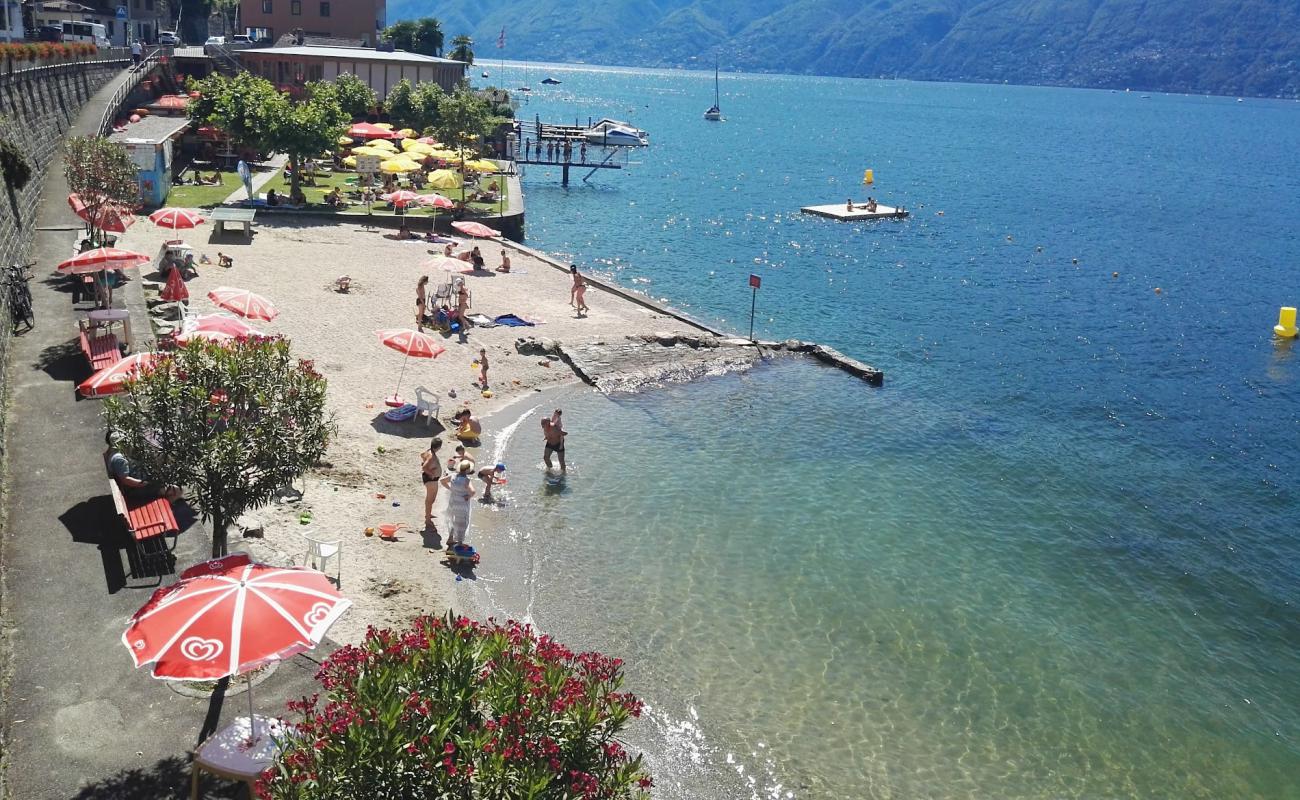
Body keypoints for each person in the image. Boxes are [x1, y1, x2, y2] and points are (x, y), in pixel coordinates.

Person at [105, 432, 181, 501]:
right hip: (136, 491)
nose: (127, 443)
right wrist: (146, 483)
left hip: (136, 485)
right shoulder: (119, 459)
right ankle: (168, 508)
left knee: (166, 478)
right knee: (176, 490)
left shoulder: (115, 454)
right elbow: (126, 480)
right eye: (124, 441)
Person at [440, 460, 476, 548]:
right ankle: (459, 542)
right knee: (462, 522)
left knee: (452, 519)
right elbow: (473, 491)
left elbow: (442, 481)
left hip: (453, 501)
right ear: (467, 470)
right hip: (462, 504)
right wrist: (468, 496)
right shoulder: (466, 480)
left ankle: (450, 538)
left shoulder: (453, 476)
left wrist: (451, 489)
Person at [420, 436, 442, 529]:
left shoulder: (428, 451)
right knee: (429, 500)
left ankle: (428, 514)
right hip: (431, 479)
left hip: (432, 480)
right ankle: (427, 520)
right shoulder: (432, 456)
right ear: (439, 447)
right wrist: (431, 473)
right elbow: (424, 467)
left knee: (432, 499)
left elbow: (422, 455)